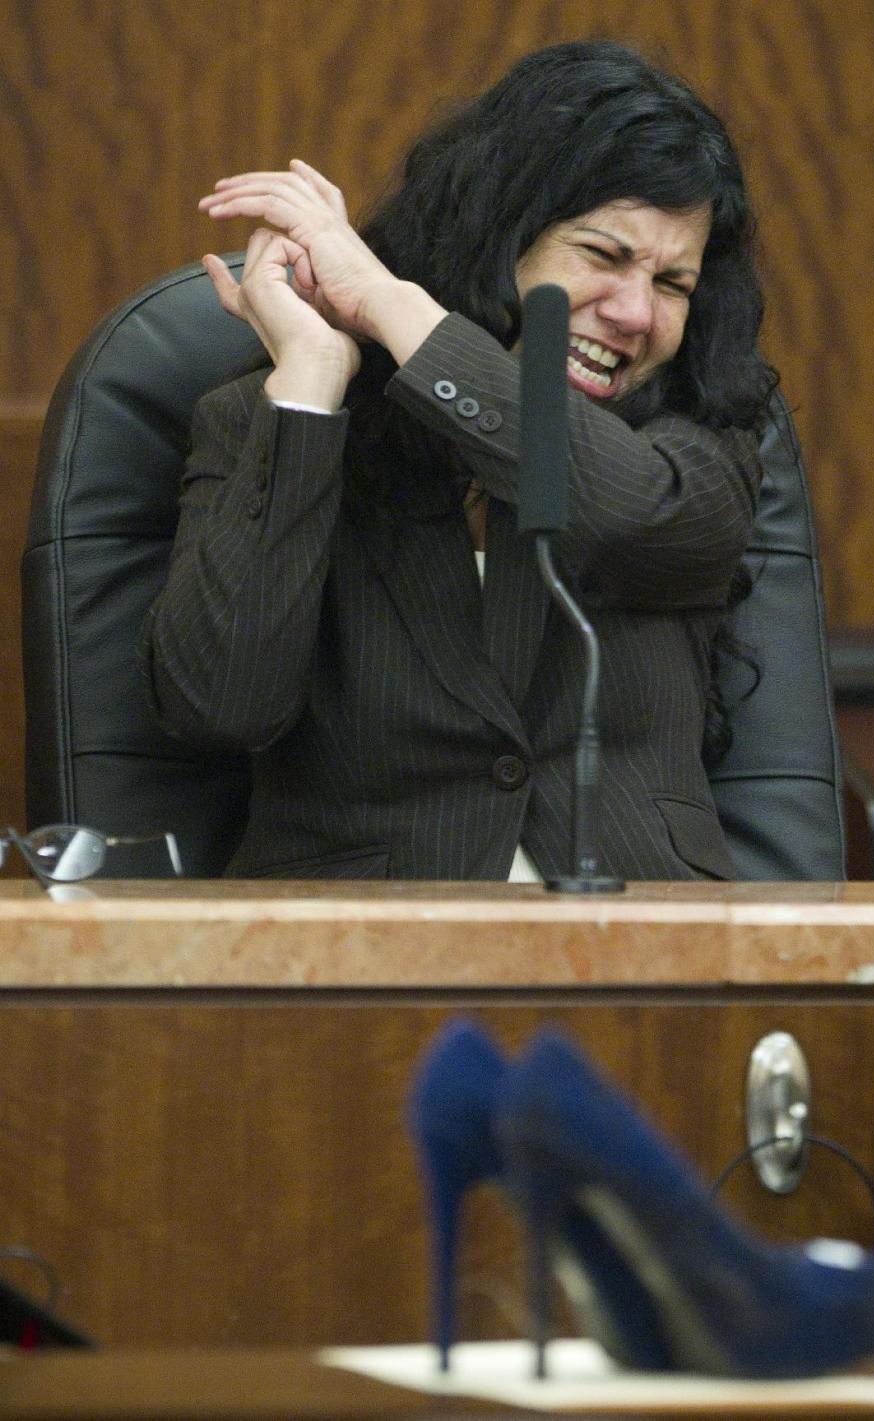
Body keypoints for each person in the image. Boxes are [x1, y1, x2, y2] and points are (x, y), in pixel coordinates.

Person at [138, 40, 777, 882]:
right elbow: (219, 703)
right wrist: (313, 381)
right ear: (495, 237)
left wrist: (391, 306)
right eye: (603, 255)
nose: (632, 312)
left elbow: (620, 512)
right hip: (361, 962)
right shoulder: (269, 419)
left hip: (639, 961)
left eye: (673, 285)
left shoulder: (699, 442)